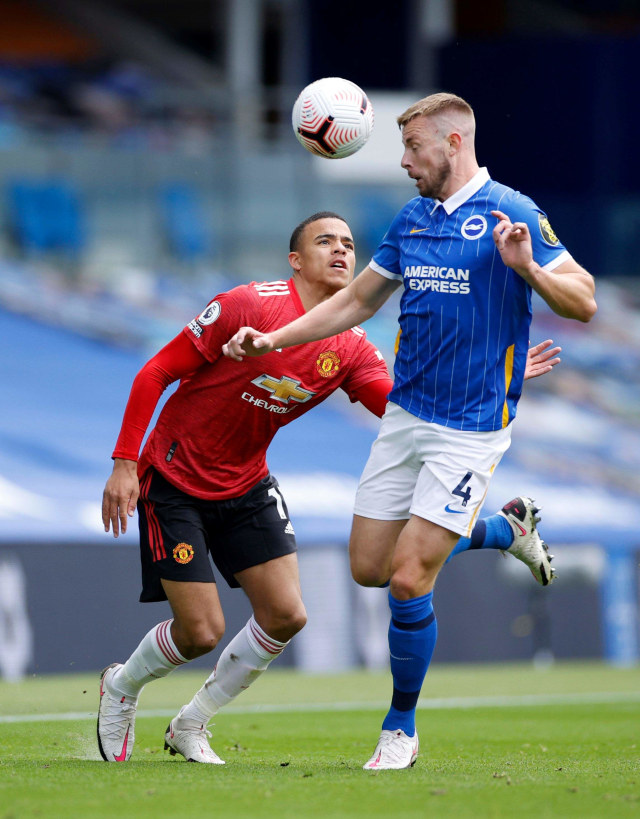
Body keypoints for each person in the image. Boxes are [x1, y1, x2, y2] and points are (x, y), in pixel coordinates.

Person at [98, 210, 557, 765]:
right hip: (174, 478)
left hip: (246, 484)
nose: (341, 250)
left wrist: (490, 378)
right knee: (201, 631)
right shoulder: (248, 304)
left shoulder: (352, 346)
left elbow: (403, 411)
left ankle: (191, 723)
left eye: (348, 243)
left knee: (286, 616)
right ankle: (121, 687)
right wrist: (126, 463)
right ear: (296, 260)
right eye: (325, 241)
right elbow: (156, 372)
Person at [223, 93, 597, 771]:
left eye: (413, 148)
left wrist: (530, 271)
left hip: (471, 430)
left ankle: (400, 729)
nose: (403, 162)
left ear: (453, 144)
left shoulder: (512, 212)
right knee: (369, 567)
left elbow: (586, 300)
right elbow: (357, 301)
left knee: (406, 578)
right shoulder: (413, 219)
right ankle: (505, 529)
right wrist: (270, 339)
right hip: (405, 418)